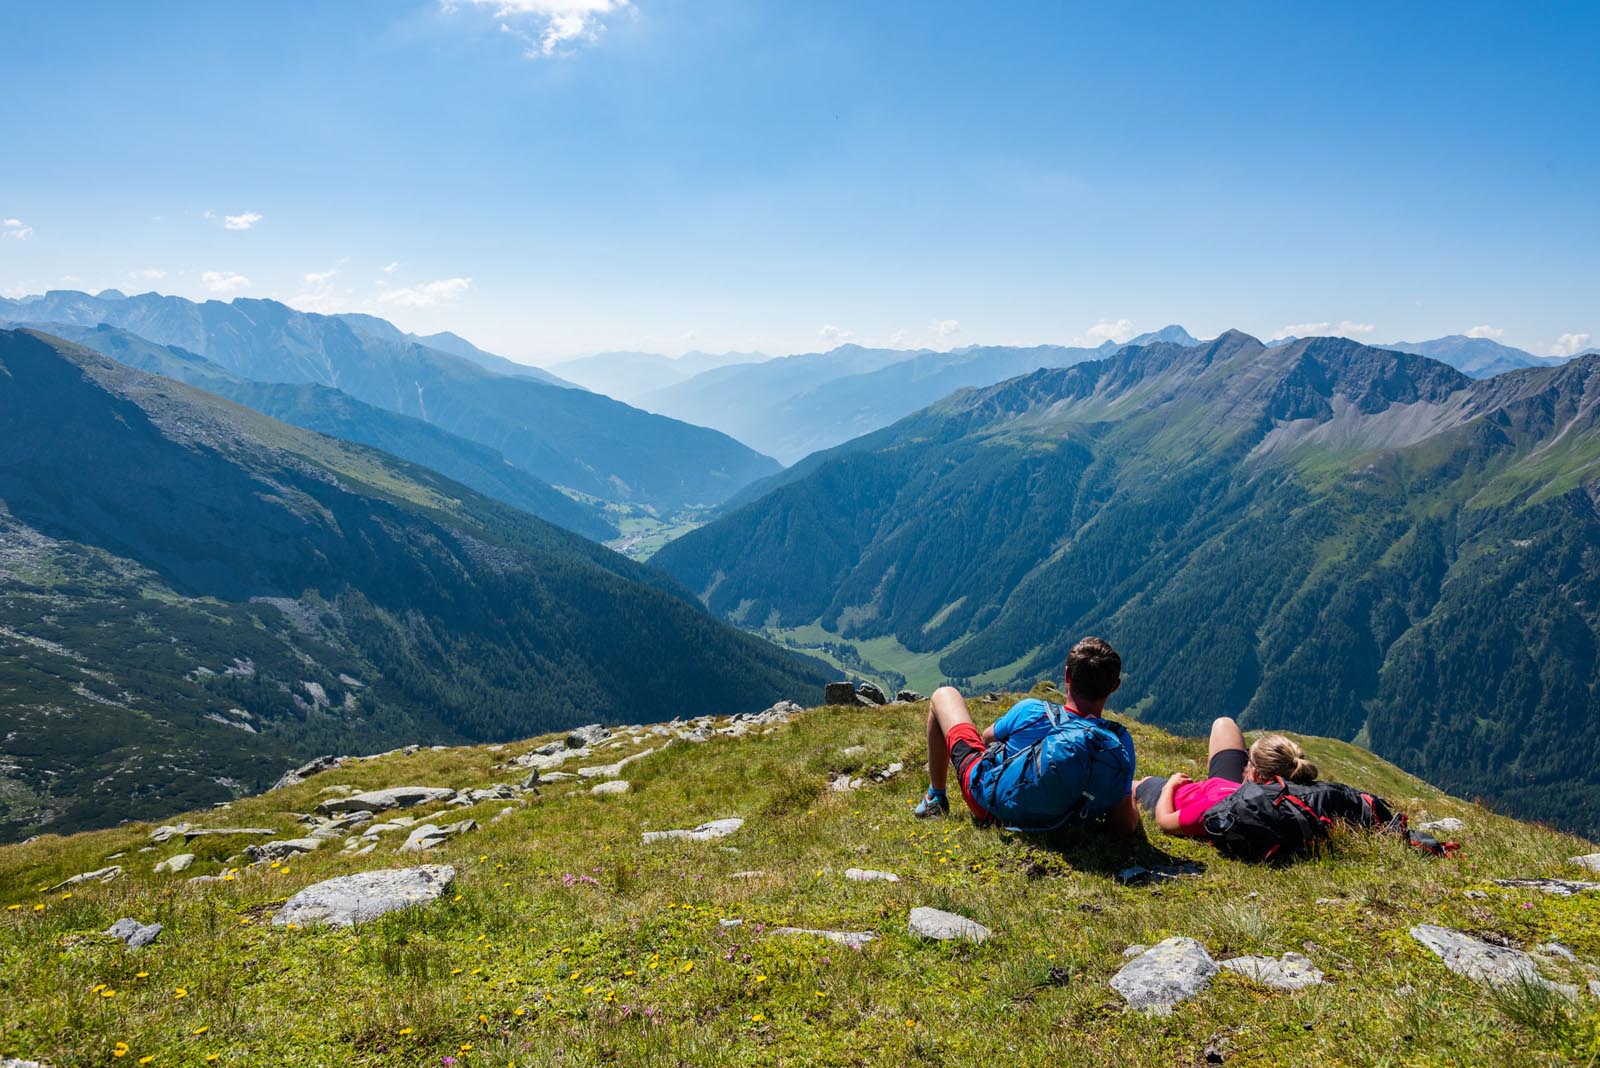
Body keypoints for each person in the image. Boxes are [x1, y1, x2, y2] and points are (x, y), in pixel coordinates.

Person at [913, 636, 1140, 835]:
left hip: (993, 808)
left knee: (944, 694)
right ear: (1114, 686)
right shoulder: (1118, 741)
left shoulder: (1031, 710)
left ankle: (936, 797)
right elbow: (1123, 825)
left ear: (1067, 676)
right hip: (1062, 826)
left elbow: (987, 738)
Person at [1133, 717, 1318, 837]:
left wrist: (1169, 786)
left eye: (1248, 760)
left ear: (1255, 773)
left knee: (1139, 784)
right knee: (1224, 724)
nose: (1243, 764)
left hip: (1185, 796)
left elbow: (1164, 822)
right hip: (1232, 788)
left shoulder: (1216, 806)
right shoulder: (1293, 802)